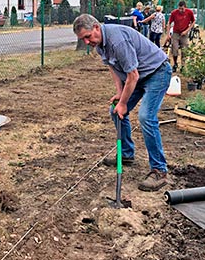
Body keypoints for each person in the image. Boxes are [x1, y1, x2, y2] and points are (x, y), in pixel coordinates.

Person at [73, 14, 172, 191]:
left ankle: (159, 170)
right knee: (115, 111)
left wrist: (124, 103)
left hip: (157, 72)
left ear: (96, 27)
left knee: (145, 117)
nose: (87, 42)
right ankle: (126, 154)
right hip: (137, 77)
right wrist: (120, 95)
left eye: (87, 37)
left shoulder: (117, 41)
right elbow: (114, 68)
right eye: (83, 40)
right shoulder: (100, 44)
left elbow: (132, 75)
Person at [165, 0, 195, 72]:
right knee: (174, 49)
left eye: (182, 9)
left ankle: (183, 65)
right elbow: (169, 23)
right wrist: (168, 34)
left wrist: (187, 31)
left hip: (184, 34)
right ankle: (175, 64)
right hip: (176, 33)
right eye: (179, 8)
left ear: (185, 7)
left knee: (184, 50)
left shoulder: (189, 12)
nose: (181, 10)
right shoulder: (174, 13)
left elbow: (193, 22)